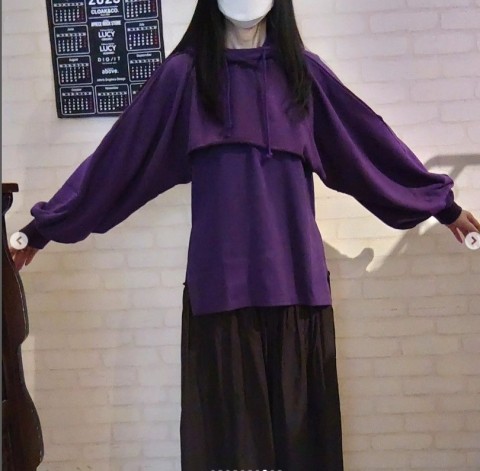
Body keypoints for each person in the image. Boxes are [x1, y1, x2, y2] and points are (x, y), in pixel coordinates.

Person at [10, 0, 480, 469]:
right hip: (221, 292)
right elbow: (119, 160)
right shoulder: (184, 78)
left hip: (296, 286)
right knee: (230, 450)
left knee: (302, 448)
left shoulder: (303, 75)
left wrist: (444, 207)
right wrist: (43, 228)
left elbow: (367, 146)